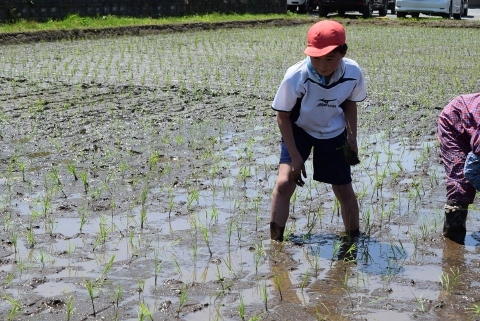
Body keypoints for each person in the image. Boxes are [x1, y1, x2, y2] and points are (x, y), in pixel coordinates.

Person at [269, 20, 367, 242]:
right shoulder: (296, 75)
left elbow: (351, 103)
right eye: (316, 58)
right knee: (284, 184)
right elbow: (282, 116)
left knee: (343, 188)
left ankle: (354, 240)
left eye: (330, 59)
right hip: (299, 130)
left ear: (343, 53)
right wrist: (295, 157)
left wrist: (352, 137)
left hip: (333, 132)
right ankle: (275, 241)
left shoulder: (352, 72)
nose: (322, 65)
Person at [437, 93, 480, 245]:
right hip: (453, 122)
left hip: (472, 124)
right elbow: (472, 168)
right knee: (461, 183)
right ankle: (453, 241)